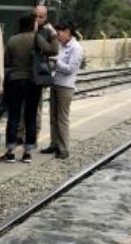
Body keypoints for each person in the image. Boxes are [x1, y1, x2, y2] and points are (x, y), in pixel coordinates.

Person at [0, 15, 59, 163]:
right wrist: (53, 35)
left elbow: (6, 61)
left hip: (15, 81)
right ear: (32, 25)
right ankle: (27, 152)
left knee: (14, 116)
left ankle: (11, 151)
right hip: (33, 81)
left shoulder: (13, 39)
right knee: (30, 115)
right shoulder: (36, 38)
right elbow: (53, 50)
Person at [41, 21, 84, 159]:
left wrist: (56, 62)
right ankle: (54, 144)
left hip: (66, 86)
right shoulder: (62, 46)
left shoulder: (76, 48)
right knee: (53, 117)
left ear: (68, 32)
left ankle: (64, 148)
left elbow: (70, 69)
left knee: (62, 118)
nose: (58, 36)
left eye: (59, 33)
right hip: (56, 83)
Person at [17, 5, 59, 142]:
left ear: (46, 17)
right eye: (35, 16)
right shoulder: (26, 30)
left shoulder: (46, 32)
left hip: (37, 74)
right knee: (22, 105)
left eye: (41, 17)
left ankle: (34, 133)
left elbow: (53, 50)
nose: (37, 19)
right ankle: (20, 133)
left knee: (36, 106)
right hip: (25, 72)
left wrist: (53, 35)